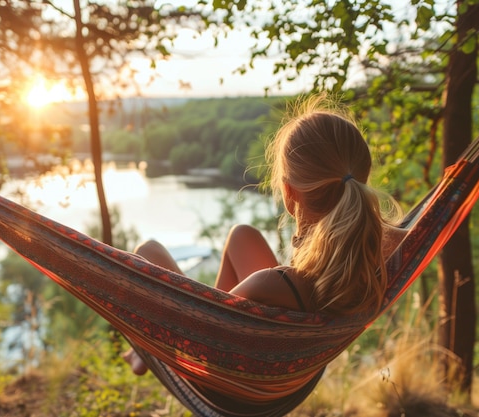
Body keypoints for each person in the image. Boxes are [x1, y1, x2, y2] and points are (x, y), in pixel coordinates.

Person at [123, 95, 406, 375]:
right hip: (290, 373)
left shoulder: (270, 284)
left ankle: (143, 350)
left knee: (148, 251)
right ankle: (142, 350)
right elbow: (404, 234)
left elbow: (202, 337)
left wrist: (151, 336)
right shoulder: (384, 255)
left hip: (227, 381)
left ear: (289, 192)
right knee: (242, 236)